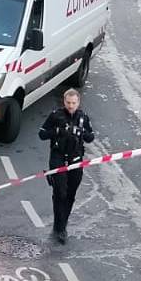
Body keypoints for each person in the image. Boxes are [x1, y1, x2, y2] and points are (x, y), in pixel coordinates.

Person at [39, 89, 96, 244]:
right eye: (68, 103)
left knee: (70, 194)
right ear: (64, 102)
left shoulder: (83, 117)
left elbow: (91, 137)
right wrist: (58, 131)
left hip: (75, 158)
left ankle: (63, 223)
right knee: (60, 192)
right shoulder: (56, 115)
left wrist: (80, 132)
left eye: (74, 103)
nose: (71, 106)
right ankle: (59, 227)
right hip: (58, 157)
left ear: (78, 102)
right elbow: (42, 134)